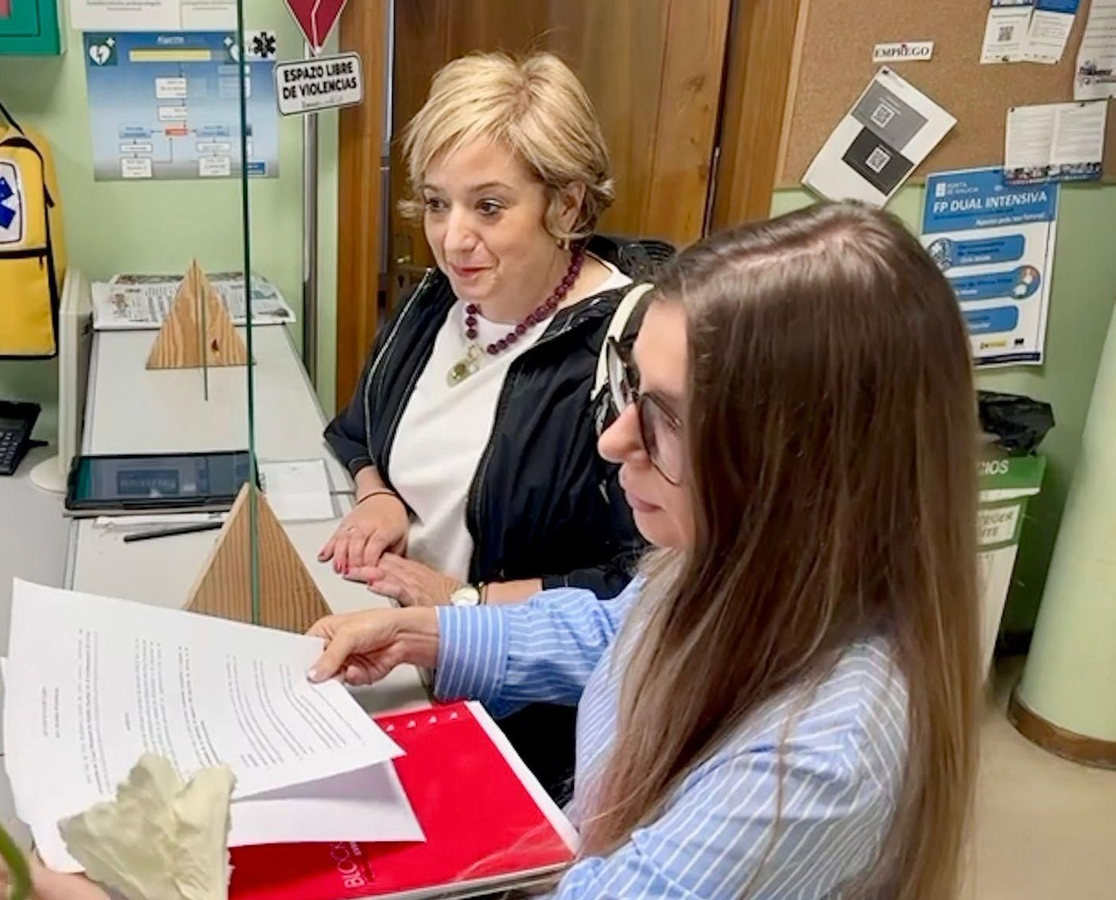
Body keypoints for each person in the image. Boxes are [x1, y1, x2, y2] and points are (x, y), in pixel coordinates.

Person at [304, 203, 981, 898]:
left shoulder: (814, 762)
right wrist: (429, 635)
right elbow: (617, 630)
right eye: (631, 389)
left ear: (802, 467)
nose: (613, 441)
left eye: (665, 417)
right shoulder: (726, 559)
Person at [321, 50, 657, 611]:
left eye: (489, 206)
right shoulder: (432, 304)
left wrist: (466, 601)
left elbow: (641, 580)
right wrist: (378, 496)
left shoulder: (629, 351)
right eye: (436, 203)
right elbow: (357, 431)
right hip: (402, 633)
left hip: (507, 679)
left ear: (567, 207)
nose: (452, 240)